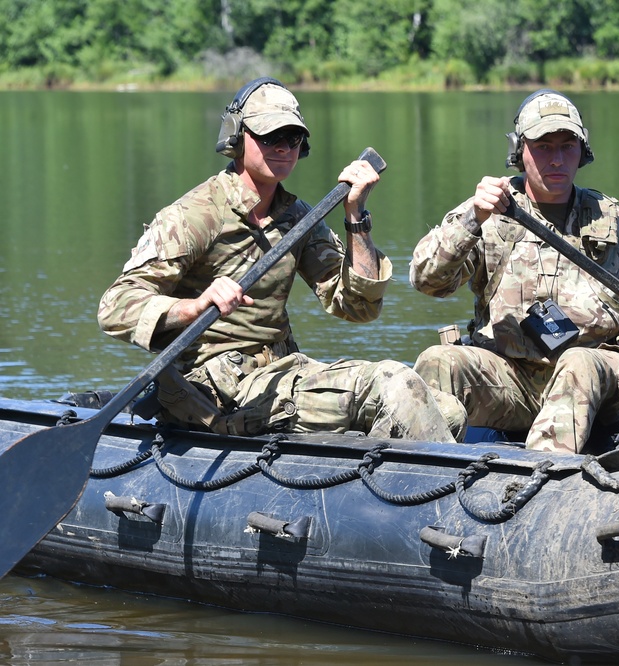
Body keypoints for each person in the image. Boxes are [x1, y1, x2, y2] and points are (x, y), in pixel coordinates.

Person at [98, 77, 461, 442]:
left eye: (293, 138)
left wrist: (356, 216)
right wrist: (194, 306)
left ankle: (386, 471)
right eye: (270, 136)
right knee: (392, 382)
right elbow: (115, 307)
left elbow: (358, 307)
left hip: (280, 374)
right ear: (238, 138)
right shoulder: (195, 215)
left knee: (448, 411)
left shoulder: (298, 217)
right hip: (212, 392)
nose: (284, 148)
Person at [409, 89, 619, 454]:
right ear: (520, 151)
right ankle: (421, 471)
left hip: (599, 371)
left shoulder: (606, 217)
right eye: (543, 147)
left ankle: (540, 476)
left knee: (577, 363)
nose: (557, 159)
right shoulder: (489, 212)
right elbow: (427, 280)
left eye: (567, 146)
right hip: (513, 378)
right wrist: (472, 219)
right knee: (437, 362)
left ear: (582, 151)